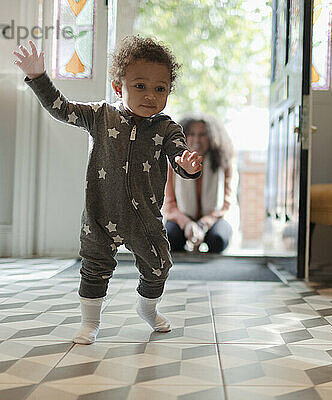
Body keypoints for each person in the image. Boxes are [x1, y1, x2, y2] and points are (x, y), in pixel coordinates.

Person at [13, 36, 203, 344]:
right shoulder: (99, 115)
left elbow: (179, 155)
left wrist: (188, 165)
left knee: (159, 266)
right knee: (94, 268)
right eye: (140, 86)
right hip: (101, 215)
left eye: (160, 88)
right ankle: (89, 322)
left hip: (145, 219)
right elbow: (61, 109)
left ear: (169, 90)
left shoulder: (167, 128)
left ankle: (148, 309)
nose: (151, 96)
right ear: (119, 87)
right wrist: (38, 77)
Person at [163, 114, 238, 253]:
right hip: (182, 219)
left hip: (213, 220)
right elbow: (169, 204)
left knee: (218, 240)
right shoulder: (173, 162)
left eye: (202, 134)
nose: (196, 139)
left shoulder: (224, 162)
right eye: (191, 134)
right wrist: (187, 224)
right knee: (171, 239)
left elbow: (227, 204)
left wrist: (203, 224)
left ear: (212, 137)